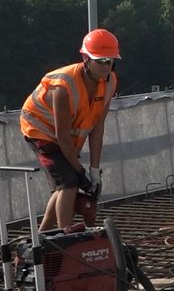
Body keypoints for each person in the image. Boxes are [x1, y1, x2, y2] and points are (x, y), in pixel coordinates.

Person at [21, 29, 120, 231]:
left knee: (64, 185)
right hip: (40, 130)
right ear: (85, 58)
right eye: (100, 60)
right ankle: (65, 236)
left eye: (109, 61)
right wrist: (80, 172)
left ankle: (42, 236)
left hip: (64, 138)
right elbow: (62, 135)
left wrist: (94, 171)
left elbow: (97, 127)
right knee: (69, 182)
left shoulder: (110, 82)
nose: (105, 66)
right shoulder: (64, 86)